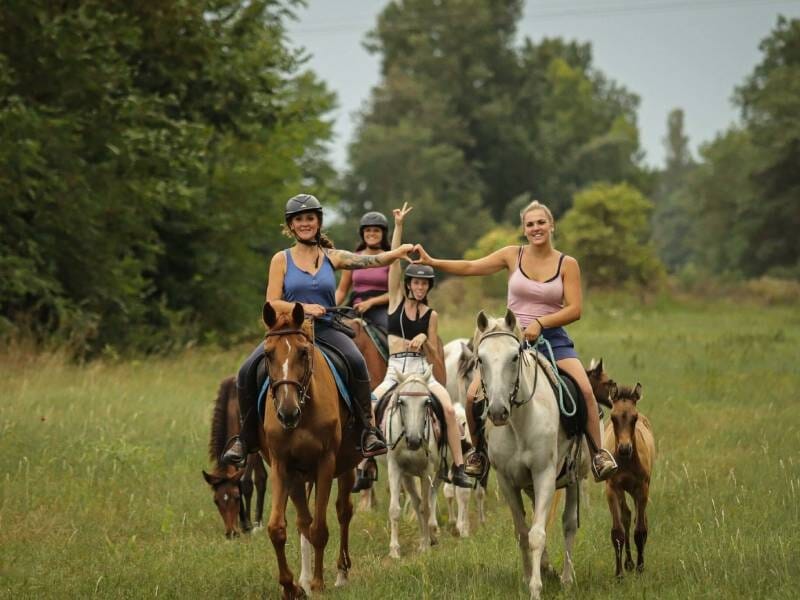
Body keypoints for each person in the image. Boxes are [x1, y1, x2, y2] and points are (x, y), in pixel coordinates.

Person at [412, 199, 618, 482]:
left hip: (552, 340)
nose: (536, 228)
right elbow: (471, 266)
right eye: (530, 224)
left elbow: (575, 309)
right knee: (473, 395)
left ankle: (597, 454)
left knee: (584, 390)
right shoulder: (512, 255)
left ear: (552, 225)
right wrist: (432, 262)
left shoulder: (567, 263)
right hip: (512, 341)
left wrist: (541, 322)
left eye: (541, 223)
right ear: (524, 229)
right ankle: (479, 455)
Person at [222, 194, 413, 467]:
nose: (305, 223)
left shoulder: (331, 257)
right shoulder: (281, 259)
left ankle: (367, 430)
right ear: (291, 225)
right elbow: (272, 302)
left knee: (357, 361)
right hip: (289, 332)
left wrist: (397, 252)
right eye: (299, 219)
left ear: (318, 221)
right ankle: (245, 437)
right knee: (246, 370)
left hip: (325, 330)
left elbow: (372, 261)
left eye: (310, 218)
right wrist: (304, 307)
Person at [351, 203, 474, 492]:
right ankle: (364, 465)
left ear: (428, 288)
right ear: (408, 284)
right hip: (395, 370)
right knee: (368, 403)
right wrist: (399, 227)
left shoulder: (432, 316)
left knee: (447, 406)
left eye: (424, 284)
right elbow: (393, 262)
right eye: (416, 283)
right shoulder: (394, 301)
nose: (419, 288)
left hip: (422, 372)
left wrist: (425, 344)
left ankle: (457, 466)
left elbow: (434, 354)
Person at [335, 211, 391, 331]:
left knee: (394, 333)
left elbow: (395, 293)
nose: (371, 233)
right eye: (368, 230)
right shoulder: (352, 258)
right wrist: (329, 307)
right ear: (362, 233)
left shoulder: (390, 259)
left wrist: (371, 302)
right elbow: (341, 291)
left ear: (383, 234)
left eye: (376, 230)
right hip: (355, 307)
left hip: (380, 309)